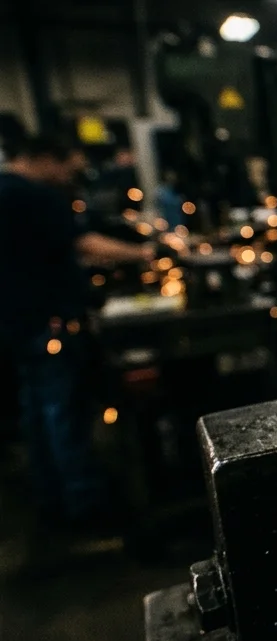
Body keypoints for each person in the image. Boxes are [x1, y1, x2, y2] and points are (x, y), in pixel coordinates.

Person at [0, 134, 156, 533]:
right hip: (47, 321)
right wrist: (146, 252)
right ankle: (83, 502)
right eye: (71, 165)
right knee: (62, 410)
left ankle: (52, 495)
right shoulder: (35, 196)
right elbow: (83, 244)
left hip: (16, 321)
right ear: (48, 157)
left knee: (37, 410)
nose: (73, 174)